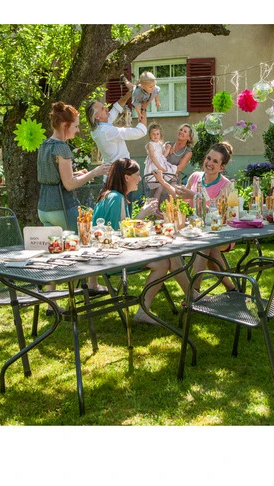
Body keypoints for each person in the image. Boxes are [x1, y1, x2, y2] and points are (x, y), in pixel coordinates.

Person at [92, 158, 190, 323]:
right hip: (112, 259)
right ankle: (191, 296)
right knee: (166, 259)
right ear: (126, 177)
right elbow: (120, 235)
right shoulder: (116, 198)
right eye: (137, 175)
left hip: (106, 255)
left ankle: (149, 309)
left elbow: (122, 230)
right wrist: (142, 214)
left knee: (166, 259)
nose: (139, 178)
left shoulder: (109, 195)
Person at [37, 101, 109, 294]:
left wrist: (77, 174)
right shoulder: (62, 148)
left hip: (44, 208)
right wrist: (94, 173)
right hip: (62, 206)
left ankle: (50, 298)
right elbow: (69, 185)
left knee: (53, 251)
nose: (77, 130)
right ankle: (92, 284)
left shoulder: (45, 145)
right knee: (89, 240)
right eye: (75, 126)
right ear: (65, 125)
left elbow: (54, 177)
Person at [151, 141, 237, 292]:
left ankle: (194, 291)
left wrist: (195, 196)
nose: (209, 163)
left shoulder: (226, 185)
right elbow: (180, 197)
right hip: (194, 231)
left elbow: (218, 214)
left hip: (220, 233)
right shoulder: (195, 176)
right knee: (210, 249)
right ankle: (231, 288)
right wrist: (162, 181)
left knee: (206, 245)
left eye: (215, 161)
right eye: (208, 158)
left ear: (221, 167)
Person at [86, 84, 148, 165]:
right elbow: (140, 132)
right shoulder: (106, 131)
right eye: (103, 109)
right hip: (120, 169)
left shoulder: (99, 127)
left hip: (113, 167)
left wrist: (130, 93)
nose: (106, 108)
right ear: (97, 117)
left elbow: (116, 108)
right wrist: (143, 107)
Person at [143, 123, 177, 200]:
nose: (155, 136)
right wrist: (160, 167)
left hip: (161, 163)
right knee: (160, 183)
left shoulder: (160, 144)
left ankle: (172, 196)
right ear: (149, 135)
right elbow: (152, 157)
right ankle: (155, 202)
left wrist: (168, 149)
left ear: (160, 135)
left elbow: (163, 156)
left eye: (157, 134)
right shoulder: (150, 144)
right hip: (155, 165)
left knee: (172, 176)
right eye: (153, 134)